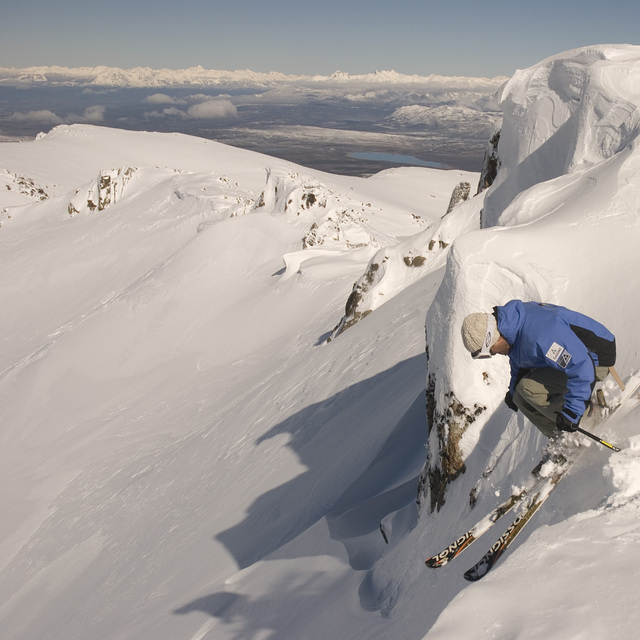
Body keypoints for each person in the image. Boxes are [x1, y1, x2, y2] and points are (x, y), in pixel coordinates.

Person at [461, 300, 616, 439]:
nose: (494, 354)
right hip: (578, 359)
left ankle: (591, 416)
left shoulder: (542, 336)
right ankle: (561, 439)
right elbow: (520, 361)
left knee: (529, 389)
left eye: (490, 351)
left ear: (494, 337)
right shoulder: (512, 327)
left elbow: (582, 365)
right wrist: (513, 390)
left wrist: (573, 411)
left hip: (597, 359)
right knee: (520, 397)